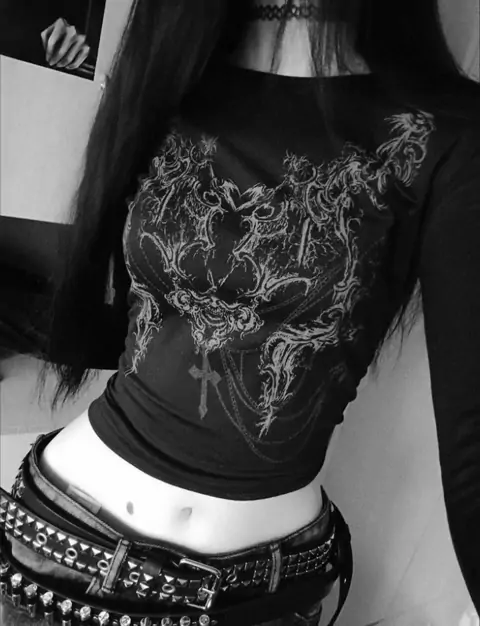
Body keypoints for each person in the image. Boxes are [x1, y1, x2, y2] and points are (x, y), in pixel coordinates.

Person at [1, 0, 480, 625]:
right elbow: (144, 329)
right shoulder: (171, 80)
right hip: (64, 550)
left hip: (263, 594)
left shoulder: (444, 134)